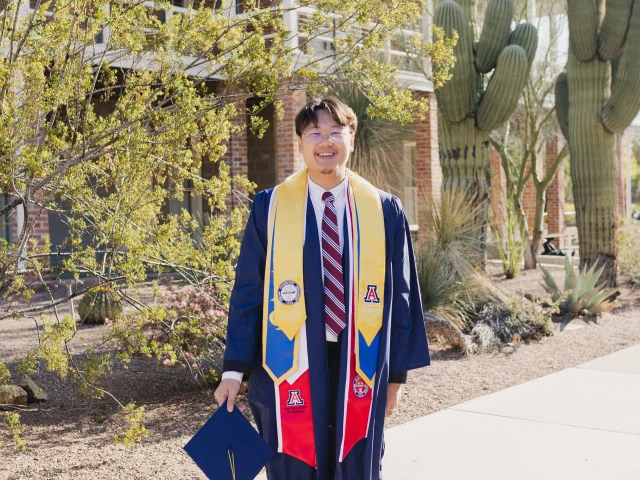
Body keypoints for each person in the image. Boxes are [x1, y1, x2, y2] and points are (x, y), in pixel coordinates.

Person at [214, 97, 430, 480]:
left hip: (360, 360)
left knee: (356, 463)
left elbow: (401, 296)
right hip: (285, 362)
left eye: (335, 132)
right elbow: (248, 289)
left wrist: (396, 376)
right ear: (300, 142)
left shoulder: (383, 209)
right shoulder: (271, 207)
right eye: (315, 132)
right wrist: (234, 370)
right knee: (293, 462)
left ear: (352, 139)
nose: (325, 141)